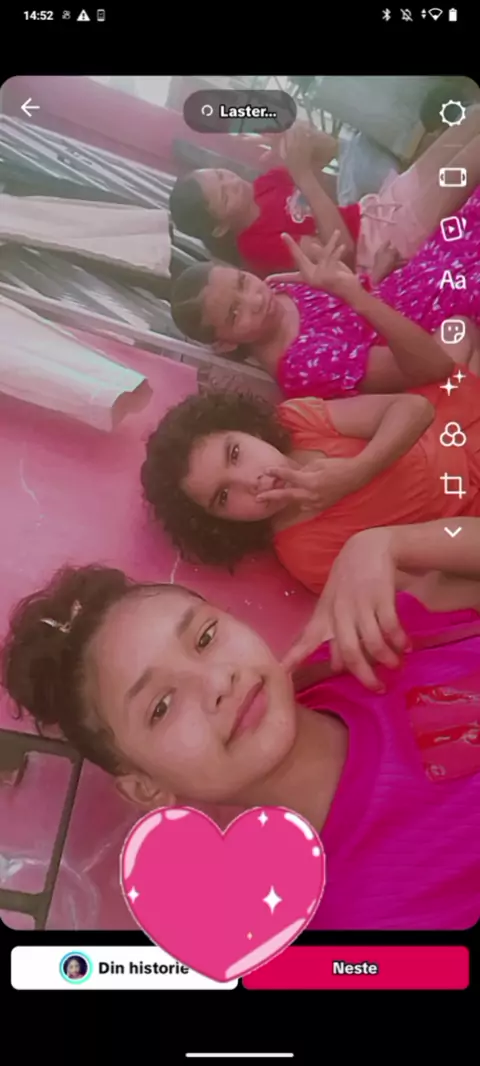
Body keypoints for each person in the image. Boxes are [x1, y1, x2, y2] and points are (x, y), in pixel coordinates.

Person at [3, 551, 480, 930]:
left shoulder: (357, 649)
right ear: (146, 787)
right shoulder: (378, 916)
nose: (218, 682)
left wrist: (395, 544)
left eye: (205, 637)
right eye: (161, 706)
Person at [140, 329, 480, 592]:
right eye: (224, 496)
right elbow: (431, 591)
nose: (250, 481)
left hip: (453, 426)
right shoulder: (307, 555)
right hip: (467, 519)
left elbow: (415, 410)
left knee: (457, 330)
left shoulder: (296, 421)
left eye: (235, 453)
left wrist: (356, 472)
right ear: (222, 523)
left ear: (248, 431)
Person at [170, 195, 480, 401]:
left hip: (415, 283)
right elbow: (426, 368)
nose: (255, 300)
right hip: (436, 322)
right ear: (225, 344)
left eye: (242, 281)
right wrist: (356, 294)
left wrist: (374, 276)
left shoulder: (281, 287)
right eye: (235, 313)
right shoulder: (301, 368)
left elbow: (352, 314)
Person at [169, 111, 480, 278]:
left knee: (468, 124)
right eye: (224, 196)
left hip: (379, 208)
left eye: (221, 175)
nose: (232, 183)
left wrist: (300, 139)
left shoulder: (264, 185)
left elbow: (331, 158)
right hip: (380, 247)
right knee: (470, 157)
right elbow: (343, 253)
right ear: (220, 228)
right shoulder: (255, 247)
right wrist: (302, 174)